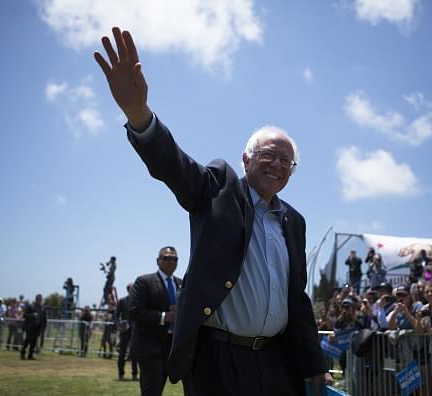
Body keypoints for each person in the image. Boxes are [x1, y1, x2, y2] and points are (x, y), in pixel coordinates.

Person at [94, 27, 330, 395]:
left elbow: (297, 299)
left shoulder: (294, 222)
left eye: (287, 161)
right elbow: (174, 166)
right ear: (246, 159)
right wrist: (138, 113)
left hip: (277, 362)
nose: (277, 165)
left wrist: (315, 366)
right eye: (268, 154)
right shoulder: (218, 188)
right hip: (218, 363)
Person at [128, 246, 182, 396]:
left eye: (174, 258)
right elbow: (134, 312)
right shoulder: (144, 282)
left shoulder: (182, 283)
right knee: (151, 390)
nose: (171, 261)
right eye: (167, 258)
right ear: (158, 261)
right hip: (150, 346)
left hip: (173, 347)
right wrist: (164, 317)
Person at [115, 283, 138, 381]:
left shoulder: (138, 301)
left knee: (134, 354)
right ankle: (121, 374)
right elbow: (115, 315)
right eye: (132, 289)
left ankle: (134, 375)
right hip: (124, 330)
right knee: (122, 353)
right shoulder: (122, 301)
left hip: (136, 330)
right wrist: (119, 324)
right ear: (128, 290)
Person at [20, 294, 46, 360]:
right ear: (36, 299)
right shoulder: (30, 306)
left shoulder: (42, 307)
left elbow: (44, 318)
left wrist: (43, 327)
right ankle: (22, 353)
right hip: (30, 326)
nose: (39, 300)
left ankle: (30, 355)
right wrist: (32, 315)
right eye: (38, 299)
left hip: (37, 327)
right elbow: (24, 315)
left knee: (34, 342)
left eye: (40, 299)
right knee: (27, 340)